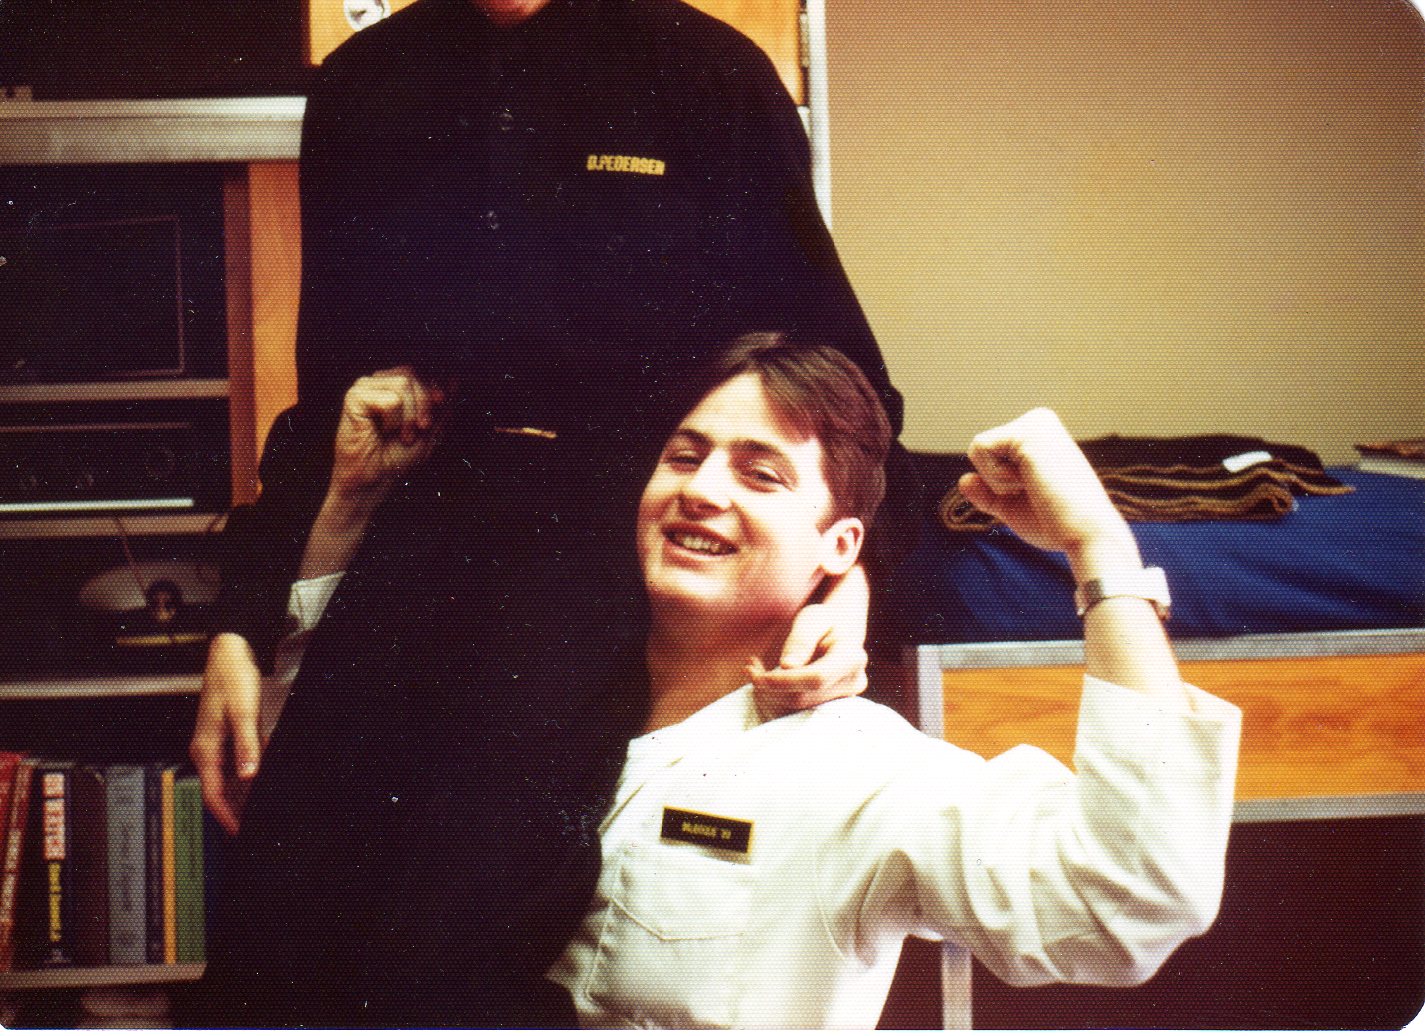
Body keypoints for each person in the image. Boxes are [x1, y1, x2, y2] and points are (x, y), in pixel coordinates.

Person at [187, 1, 911, 1024]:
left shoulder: (706, 73)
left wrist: (848, 578)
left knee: (456, 942)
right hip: (415, 547)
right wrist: (241, 623)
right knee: (279, 928)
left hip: (625, 566)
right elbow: (329, 404)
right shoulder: (364, 85)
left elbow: (847, 388)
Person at [544, 339, 1243, 1028]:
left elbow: (1127, 901)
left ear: (840, 547)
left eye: (761, 475)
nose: (699, 490)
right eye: (683, 458)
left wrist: (1097, 544)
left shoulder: (851, 770)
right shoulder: (536, 698)